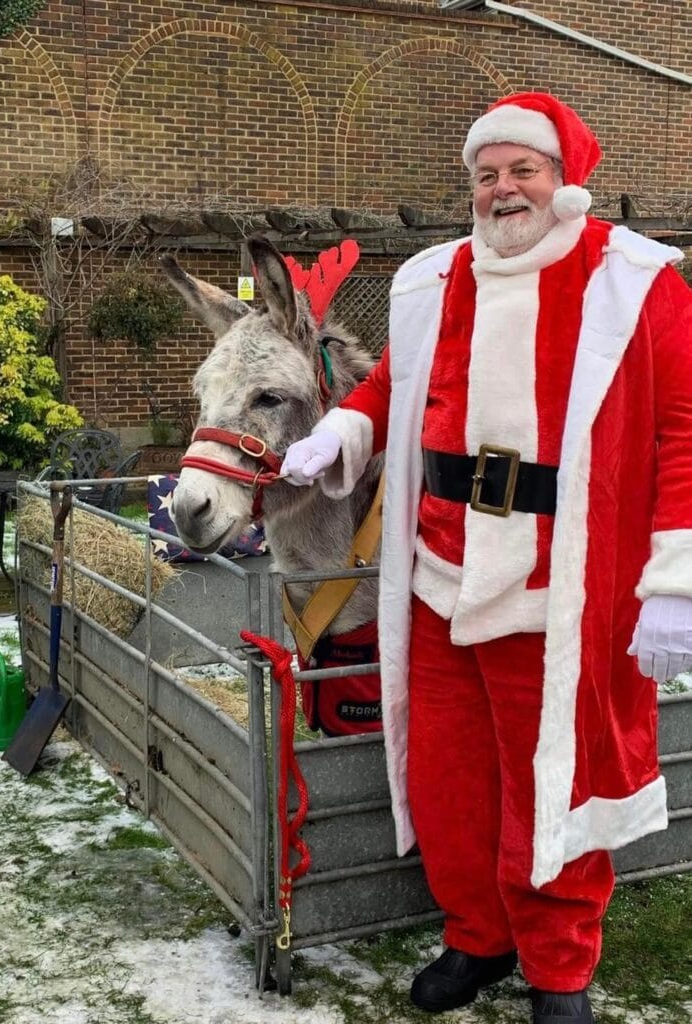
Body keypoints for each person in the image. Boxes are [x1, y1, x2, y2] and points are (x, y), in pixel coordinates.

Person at [279, 92, 692, 1024]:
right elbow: (394, 384)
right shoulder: (430, 280)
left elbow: (682, 428)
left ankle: (557, 968)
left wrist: (674, 579)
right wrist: (342, 430)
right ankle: (477, 936)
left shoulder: (636, 281)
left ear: (563, 177)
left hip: (558, 584)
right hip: (437, 571)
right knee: (449, 779)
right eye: (486, 174)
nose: (503, 190)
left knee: (552, 784)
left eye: (522, 170)